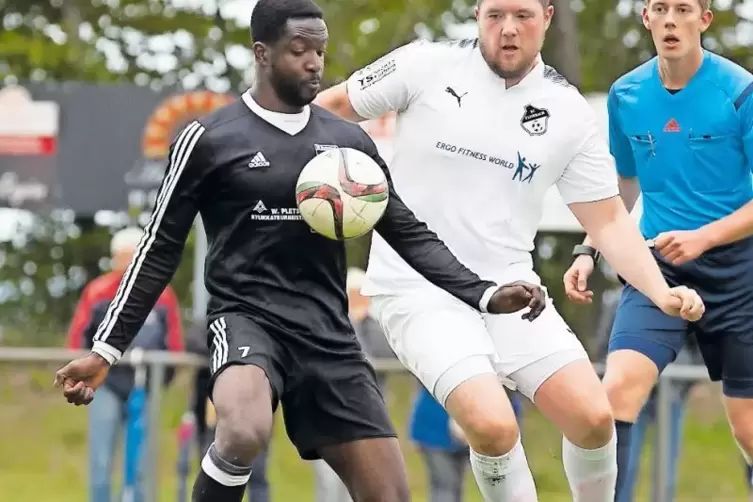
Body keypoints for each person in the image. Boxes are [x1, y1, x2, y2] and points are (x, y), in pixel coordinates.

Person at [52, 1, 553, 502]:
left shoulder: (347, 143)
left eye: (320, 50)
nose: (314, 62)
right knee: (243, 431)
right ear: (262, 53)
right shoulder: (209, 139)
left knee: (391, 494)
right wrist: (106, 349)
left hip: (328, 334)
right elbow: (158, 249)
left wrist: (484, 294)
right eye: (299, 50)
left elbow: (408, 232)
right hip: (247, 321)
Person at [315, 0, 704, 499]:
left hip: (513, 292)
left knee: (593, 418)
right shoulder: (424, 64)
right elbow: (329, 108)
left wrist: (660, 292)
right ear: (477, 14)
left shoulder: (568, 112)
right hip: (419, 293)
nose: (508, 29)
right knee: (493, 425)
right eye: (494, 15)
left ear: (547, 16)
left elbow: (607, 220)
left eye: (521, 15)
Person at [563, 0, 753, 497]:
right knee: (617, 393)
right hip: (658, 268)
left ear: (704, 20)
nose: (671, 19)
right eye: (659, 8)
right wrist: (590, 248)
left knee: (748, 430)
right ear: (646, 18)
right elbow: (623, 186)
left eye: (683, 8)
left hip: (740, 271)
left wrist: (706, 236)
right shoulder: (626, 95)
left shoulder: (739, 90)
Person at [66, 226, 184, 502]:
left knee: (142, 462)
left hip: (146, 385)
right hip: (104, 385)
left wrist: (160, 381)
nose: (128, 262)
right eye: (123, 256)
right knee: (101, 458)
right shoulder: (97, 291)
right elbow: (77, 340)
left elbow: (174, 342)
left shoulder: (162, 294)